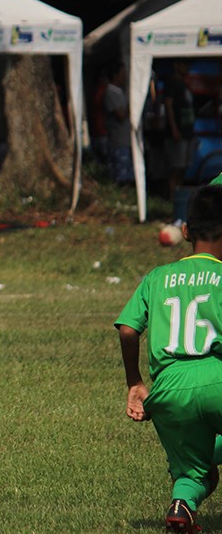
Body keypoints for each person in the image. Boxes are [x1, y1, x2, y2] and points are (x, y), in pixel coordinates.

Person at [116, 184, 222, 533]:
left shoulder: (157, 277)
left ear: (186, 232)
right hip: (217, 377)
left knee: (193, 471)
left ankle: (181, 507)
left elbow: (128, 330)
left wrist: (135, 382)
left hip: (169, 389)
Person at [164, 60, 196, 200]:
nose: (187, 67)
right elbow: (168, 106)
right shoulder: (171, 83)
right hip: (177, 132)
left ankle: (181, 198)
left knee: (184, 168)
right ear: (177, 65)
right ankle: (173, 199)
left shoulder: (184, 83)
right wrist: (174, 129)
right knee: (176, 168)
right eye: (185, 64)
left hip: (188, 132)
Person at [104, 62, 133, 184]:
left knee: (128, 177)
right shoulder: (111, 92)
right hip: (118, 142)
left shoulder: (120, 92)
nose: (125, 76)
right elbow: (120, 115)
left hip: (125, 140)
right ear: (115, 75)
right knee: (121, 179)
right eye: (122, 74)